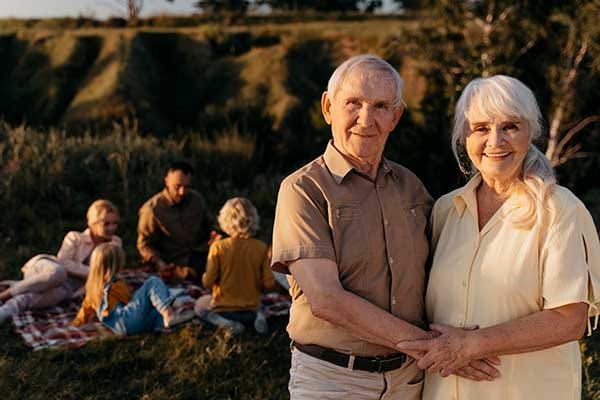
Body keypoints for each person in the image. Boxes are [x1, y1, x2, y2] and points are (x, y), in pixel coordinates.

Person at [396, 75, 600, 399]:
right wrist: (450, 351)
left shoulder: (560, 211)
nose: (496, 141)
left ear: (530, 132)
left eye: (510, 127)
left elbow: (569, 319)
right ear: (464, 136)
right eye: (481, 128)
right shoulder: (445, 211)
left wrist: (472, 346)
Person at [271, 54, 447, 399]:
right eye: (354, 103)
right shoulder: (303, 190)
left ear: (395, 117)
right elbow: (326, 300)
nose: (366, 119)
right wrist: (431, 347)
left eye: (381, 106)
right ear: (328, 107)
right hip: (334, 381)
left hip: (409, 380)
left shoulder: (411, 187)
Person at [0, 199, 122, 323]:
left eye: (115, 223)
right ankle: (4, 295)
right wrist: (94, 273)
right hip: (47, 269)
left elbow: (110, 274)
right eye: (106, 224)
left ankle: (3, 312)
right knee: (58, 273)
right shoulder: (75, 237)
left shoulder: (115, 244)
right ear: (93, 223)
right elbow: (64, 262)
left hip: (67, 288)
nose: (111, 228)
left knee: (29, 299)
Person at [194, 197, 278, 334]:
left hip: (225, 309)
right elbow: (269, 284)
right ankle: (259, 317)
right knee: (260, 305)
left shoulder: (218, 247)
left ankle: (225, 323)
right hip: (251, 310)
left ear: (225, 219)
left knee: (199, 305)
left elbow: (207, 282)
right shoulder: (261, 247)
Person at [73, 243, 193, 334]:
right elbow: (129, 301)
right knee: (153, 282)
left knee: (155, 309)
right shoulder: (115, 285)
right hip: (126, 320)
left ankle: (170, 321)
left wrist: (78, 322)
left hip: (116, 327)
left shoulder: (92, 287)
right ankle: (169, 315)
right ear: (117, 265)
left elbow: (85, 308)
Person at [137, 161, 212, 280]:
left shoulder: (196, 200)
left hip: (202, 254)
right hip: (174, 262)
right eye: (177, 187)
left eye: (187, 187)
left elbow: (210, 227)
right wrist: (159, 262)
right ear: (166, 181)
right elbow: (144, 245)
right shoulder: (152, 209)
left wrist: (216, 237)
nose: (182, 192)